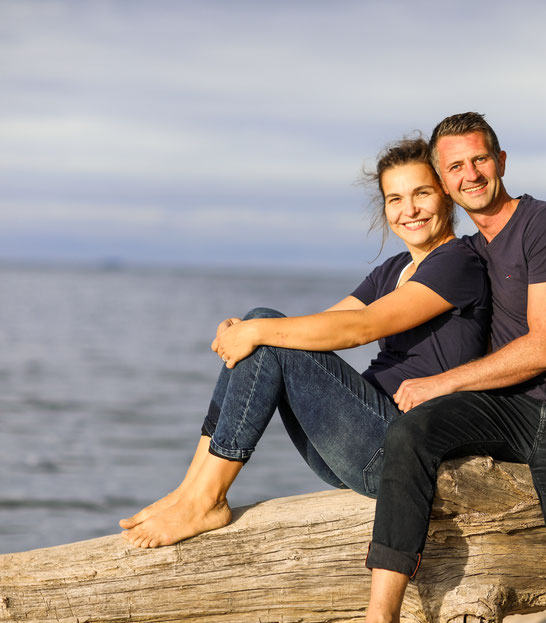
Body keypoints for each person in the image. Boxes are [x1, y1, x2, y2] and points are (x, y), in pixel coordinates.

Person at [321, 113, 546, 623]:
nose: (471, 174)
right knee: (412, 431)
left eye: (480, 160)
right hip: (512, 412)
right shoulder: (471, 253)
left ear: (502, 162)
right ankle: (382, 621)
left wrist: (440, 382)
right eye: (456, 166)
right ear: (443, 179)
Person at [119, 136, 491, 549]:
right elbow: (326, 322)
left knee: (266, 330)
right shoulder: (395, 269)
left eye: (422, 193)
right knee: (264, 325)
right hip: (355, 444)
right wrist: (244, 329)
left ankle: (208, 500)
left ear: (446, 196)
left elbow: (360, 328)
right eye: (395, 199)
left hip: (399, 455)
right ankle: (191, 490)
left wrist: (258, 331)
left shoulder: (457, 263)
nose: (409, 210)